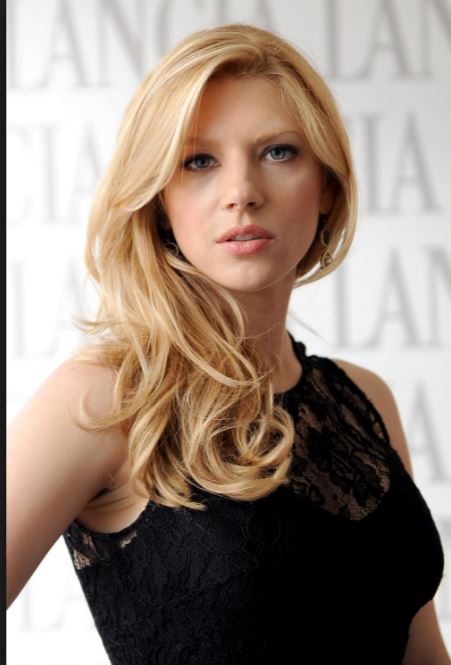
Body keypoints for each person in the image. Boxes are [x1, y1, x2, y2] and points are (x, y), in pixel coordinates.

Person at [7, 22, 449, 665]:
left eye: (278, 152)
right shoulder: (106, 399)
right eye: (198, 161)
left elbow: (423, 651)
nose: (242, 192)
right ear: (159, 199)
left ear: (327, 185)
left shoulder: (365, 400)